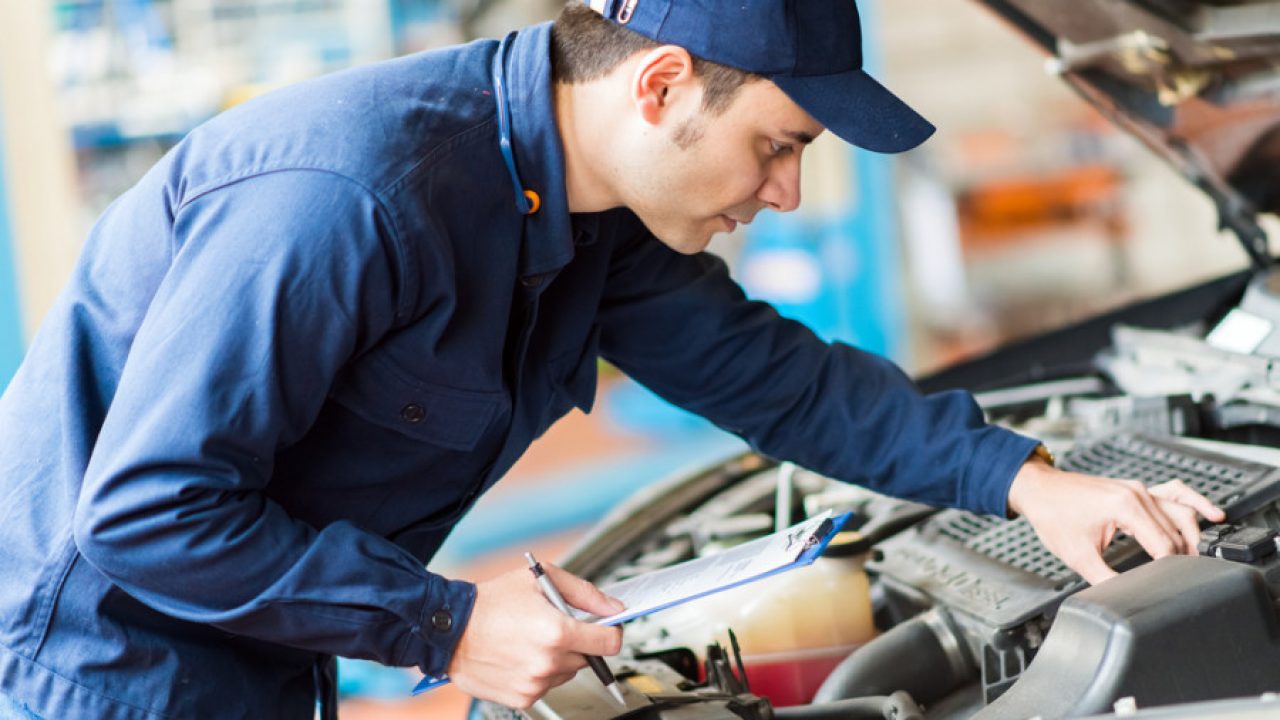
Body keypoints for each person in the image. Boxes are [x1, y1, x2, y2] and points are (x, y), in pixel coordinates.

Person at [0, 1, 1225, 717]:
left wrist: (1030, 481)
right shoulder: (352, 197)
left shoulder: (593, 225)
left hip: (247, 657)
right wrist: (444, 624)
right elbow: (145, 515)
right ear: (658, 86)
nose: (787, 194)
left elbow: (779, 382)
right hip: (96, 670)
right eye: (774, 146)